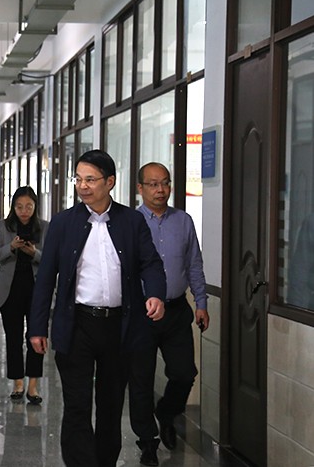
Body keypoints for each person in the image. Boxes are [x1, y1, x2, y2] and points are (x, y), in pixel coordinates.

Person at [28, 150, 166, 467]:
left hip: (119, 327)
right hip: (77, 324)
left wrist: (156, 295)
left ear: (110, 182)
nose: (83, 186)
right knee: (77, 405)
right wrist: (36, 328)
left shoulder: (132, 222)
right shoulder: (64, 223)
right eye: (78, 179)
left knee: (110, 406)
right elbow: (45, 278)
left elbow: (151, 264)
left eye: (90, 179)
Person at [126, 162, 209, 465]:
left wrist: (201, 302)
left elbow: (194, 264)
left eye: (165, 183)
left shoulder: (183, 221)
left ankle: (166, 412)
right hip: (141, 314)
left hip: (175, 311)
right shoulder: (130, 223)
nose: (160, 190)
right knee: (141, 380)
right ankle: (147, 441)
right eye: (153, 184)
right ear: (140, 188)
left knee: (185, 373)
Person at [0, 186, 48, 404]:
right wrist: (11, 247)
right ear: (13, 207)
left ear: (35, 207)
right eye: (20, 207)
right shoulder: (3, 227)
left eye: (29, 207)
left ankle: (33, 385)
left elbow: (51, 260)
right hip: (10, 292)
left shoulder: (45, 227)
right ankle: (17, 383)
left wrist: (34, 253)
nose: (24, 211)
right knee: (13, 339)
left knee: (36, 337)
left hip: (36, 291)